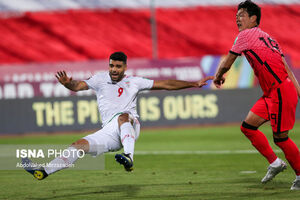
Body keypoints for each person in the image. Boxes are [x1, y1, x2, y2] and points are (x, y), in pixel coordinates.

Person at [22, 51, 213, 180]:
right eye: (112, 65)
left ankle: (129, 157)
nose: (114, 69)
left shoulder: (135, 82)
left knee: (123, 116)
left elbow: (166, 84)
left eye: (118, 66)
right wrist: (67, 84)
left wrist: (193, 84)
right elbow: (77, 86)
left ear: (125, 67)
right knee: (77, 146)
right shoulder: (99, 79)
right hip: (109, 132)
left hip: (130, 124)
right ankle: (43, 171)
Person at [213, 0, 300, 190]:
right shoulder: (269, 38)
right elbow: (287, 68)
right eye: (236, 15)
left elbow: (228, 62)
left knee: (281, 138)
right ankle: (275, 163)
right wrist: (298, 90)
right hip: (272, 92)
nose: (237, 18)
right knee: (248, 127)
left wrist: (218, 76)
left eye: (242, 14)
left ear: (254, 19)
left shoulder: (244, 35)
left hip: (280, 91)